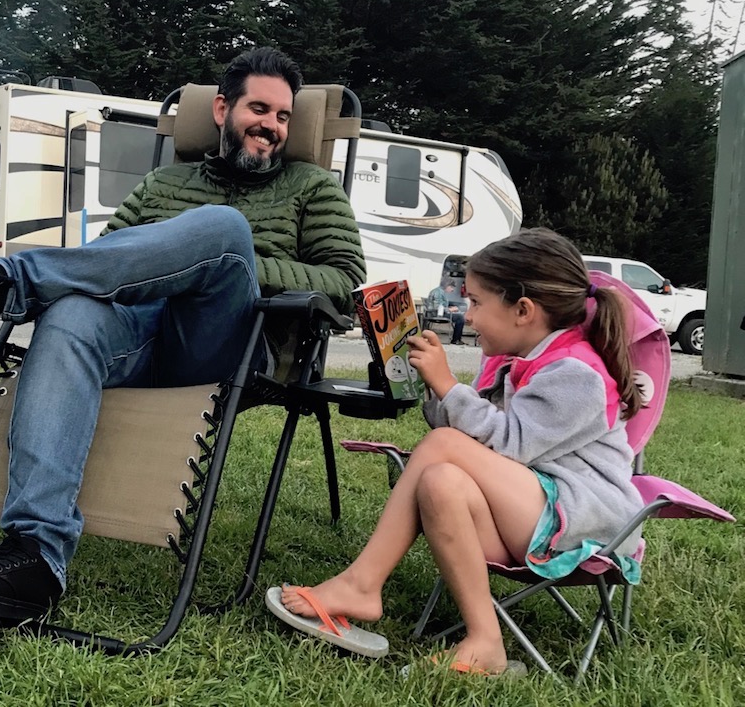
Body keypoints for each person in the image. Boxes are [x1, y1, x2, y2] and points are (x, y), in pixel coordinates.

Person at [0, 46, 366, 623]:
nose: (273, 127)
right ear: (222, 110)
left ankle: (4, 285)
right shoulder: (164, 181)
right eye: (260, 109)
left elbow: (344, 283)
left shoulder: (312, 187)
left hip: (228, 343)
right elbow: (105, 259)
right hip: (139, 335)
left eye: (283, 116)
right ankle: (33, 557)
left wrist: (236, 260)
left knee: (224, 231)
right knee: (71, 315)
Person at [273, 227, 644, 676]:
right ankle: (486, 642)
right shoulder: (520, 359)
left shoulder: (577, 373)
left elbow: (509, 443)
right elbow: (472, 437)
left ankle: (361, 583)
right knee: (440, 480)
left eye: (476, 303)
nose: (467, 315)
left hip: (584, 520)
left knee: (445, 448)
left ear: (523, 310)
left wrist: (449, 385)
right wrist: (433, 387)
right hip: (530, 512)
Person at [426, 278, 467, 345]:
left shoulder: (439, 291)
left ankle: (457, 339)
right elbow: (437, 307)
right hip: (436, 314)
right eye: (451, 287)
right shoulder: (438, 293)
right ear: (447, 286)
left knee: (459, 316)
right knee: (460, 318)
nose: (452, 289)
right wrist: (450, 309)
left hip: (436, 312)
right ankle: (456, 339)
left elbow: (440, 304)